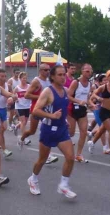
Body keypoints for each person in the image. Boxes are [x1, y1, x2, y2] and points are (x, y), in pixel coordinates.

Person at [27, 65, 77, 198]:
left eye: (64, 74)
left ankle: (64, 185)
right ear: (53, 77)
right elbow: (36, 110)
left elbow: (63, 108)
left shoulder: (66, 91)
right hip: (48, 129)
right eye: (59, 75)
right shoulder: (47, 92)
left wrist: (65, 120)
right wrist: (51, 116)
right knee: (42, 159)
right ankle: (33, 179)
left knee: (70, 157)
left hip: (61, 129)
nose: (63, 77)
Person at [18, 64, 59, 164]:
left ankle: (47, 156)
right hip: (37, 109)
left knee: (46, 131)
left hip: (47, 110)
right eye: (45, 70)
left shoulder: (50, 80)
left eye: (49, 70)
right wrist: (41, 97)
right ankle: (22, 138)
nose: (48, 71)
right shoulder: (36, 81)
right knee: (32, 131)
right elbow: (27, 95)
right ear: (40, 71)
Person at [88, 70, 110, 160]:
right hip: (103, 111)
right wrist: (97, 100)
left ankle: (92, 143)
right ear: (108, 77)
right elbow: (92, 96)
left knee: (102, 130)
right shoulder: (103, 87)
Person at [67, 64, 94, 163]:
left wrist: (91, 104)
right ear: (82, 71)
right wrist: (78, 101)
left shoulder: (90, 84)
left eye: (90, 71)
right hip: (72, 109)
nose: (89, 73)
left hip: (82, 110)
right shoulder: (76, 82)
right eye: (87, 71)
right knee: (71, 133)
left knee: (83, 132)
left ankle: (78, 154)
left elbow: (87, 98)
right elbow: (68, 96)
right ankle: (65, 147)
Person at [0, 68, 13, 158]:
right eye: (1, 76)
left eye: (5, 76)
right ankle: (4, 149)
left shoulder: (8, 86)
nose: (3, 78)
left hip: (3, 109)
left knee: (4, 129)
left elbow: (14, 95)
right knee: (0, 129)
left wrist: (12, 98)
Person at [13, 72, 31, 144]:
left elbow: (32, 93)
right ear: (20, 79)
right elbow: (13, 95)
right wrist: (15, 99)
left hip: (27, 106)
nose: (25, 79)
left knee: (25, 122)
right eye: (23, 78)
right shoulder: (17, 88)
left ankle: (16, 126)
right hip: (20, 106)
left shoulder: (29, 86)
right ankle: (25, 138)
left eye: (26, 78)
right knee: (23, 122)